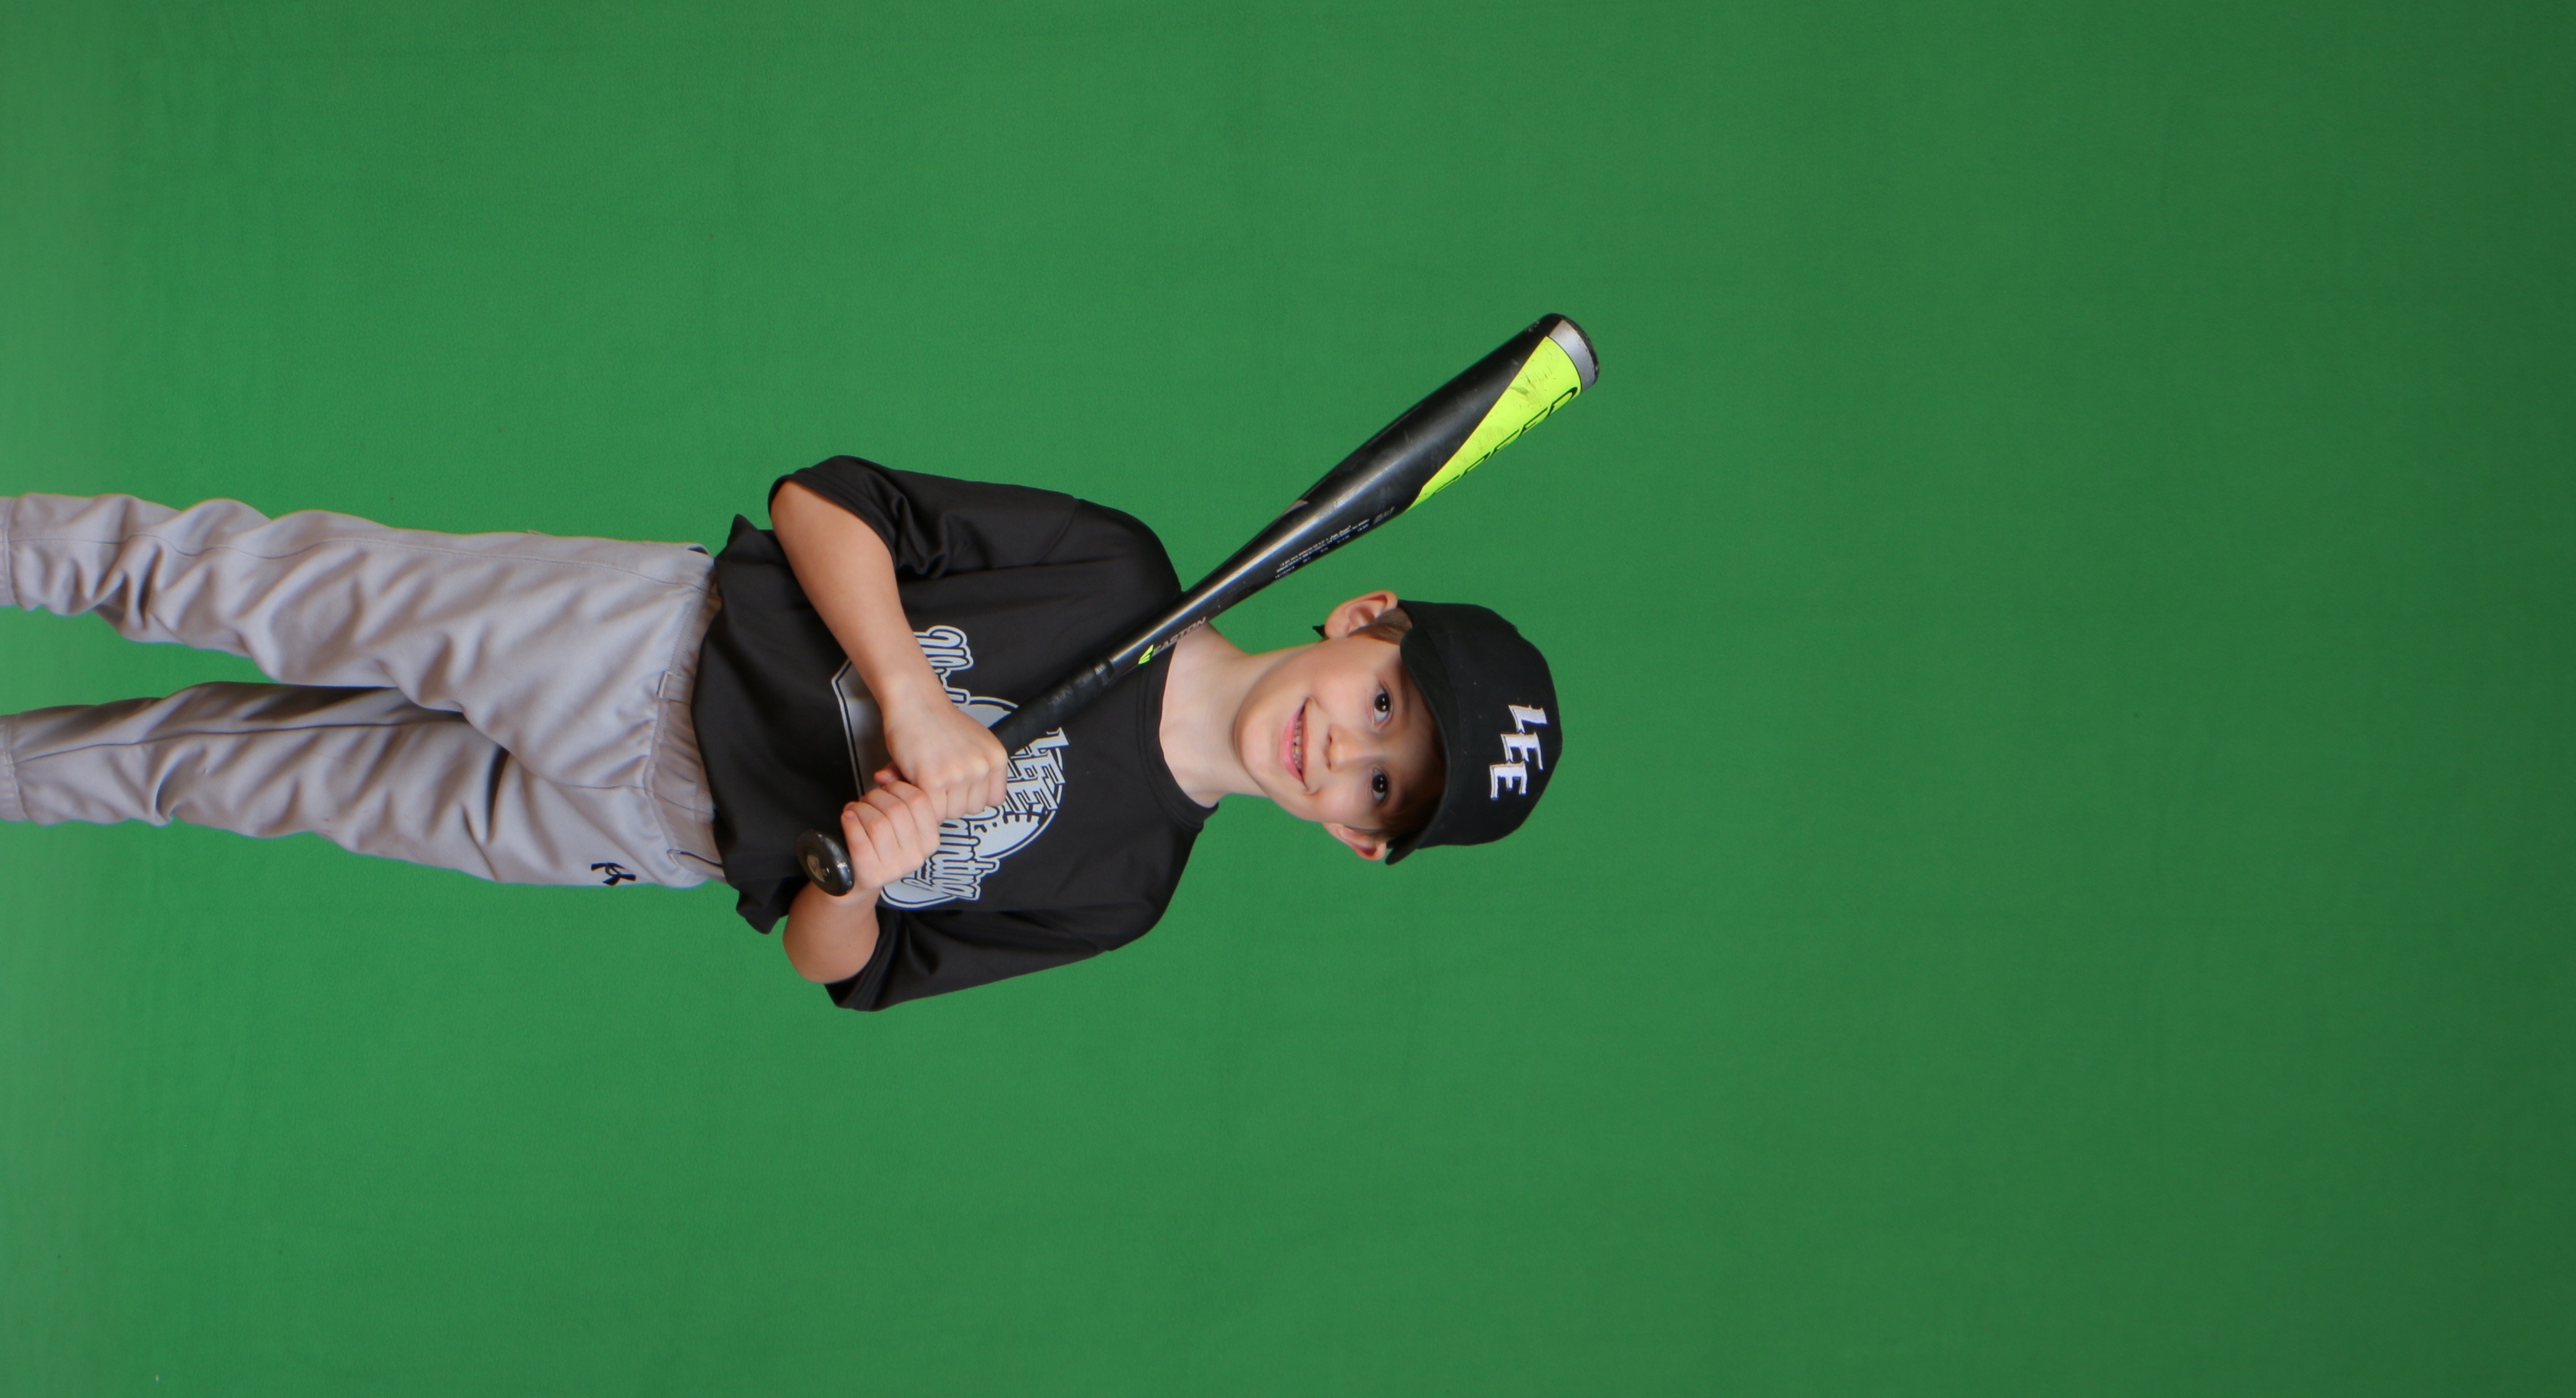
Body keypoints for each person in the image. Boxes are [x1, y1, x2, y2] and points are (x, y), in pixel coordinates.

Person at [0, 459, 1564, 1009]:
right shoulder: (1116, 572)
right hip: (642, 648)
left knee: (213, 771)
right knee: (231, 583)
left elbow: (845, 969)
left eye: (1382, 786)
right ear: (1364, 617)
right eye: (1382, 704)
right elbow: (825, 503)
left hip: (650, 836)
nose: (1344, 750)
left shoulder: (1122, 888)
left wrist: (862, 875)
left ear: (1359, 839)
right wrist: (911, 698)